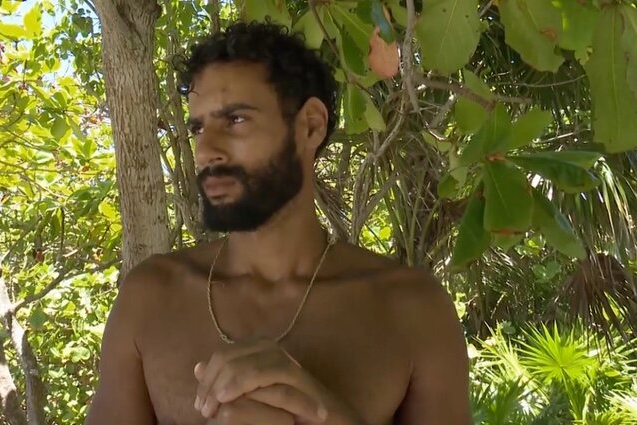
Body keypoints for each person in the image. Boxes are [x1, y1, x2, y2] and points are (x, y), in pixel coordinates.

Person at [85, 21, 471, 425]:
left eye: (235, 120)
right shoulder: (150, 300)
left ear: (310, 126)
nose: (206, 150)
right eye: (198, 127)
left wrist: (324, 416)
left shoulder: (412, 311)